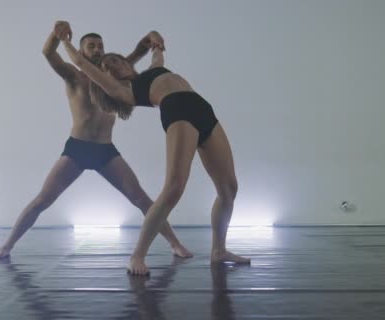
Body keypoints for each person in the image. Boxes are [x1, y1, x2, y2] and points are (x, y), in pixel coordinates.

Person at [57, 24, 251, 275]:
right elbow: (82, 65)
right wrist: (64, 41)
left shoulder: (153, 69)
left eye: (117, 59)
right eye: (109, 65)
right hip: (179, 113)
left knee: (229, 189)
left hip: (204, 111)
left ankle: (218, 250)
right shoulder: (123, 91)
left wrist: (154, 38)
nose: (117, 64)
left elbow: (156, 49)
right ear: (107, 76)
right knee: (174, 189)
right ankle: (137, 256)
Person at [0, 21, 192, 259]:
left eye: (100, 46)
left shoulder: (114, 72)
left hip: (106, 151)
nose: (97, 50)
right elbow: (48, 52)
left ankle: (175, 244)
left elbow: (140, 51)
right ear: (82, 50)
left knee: (141, 198)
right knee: (43, 200)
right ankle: (7, 246)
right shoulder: (74, 75)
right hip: (77, 149)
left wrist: (151, 37)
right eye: (91, 46)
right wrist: (57, 34)